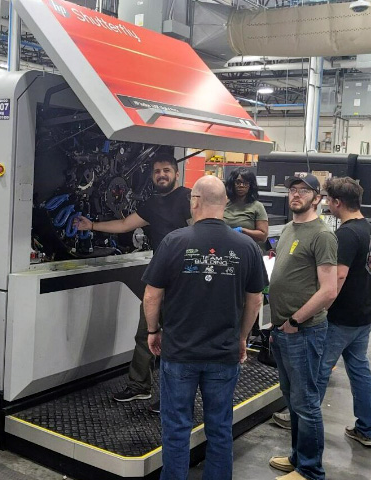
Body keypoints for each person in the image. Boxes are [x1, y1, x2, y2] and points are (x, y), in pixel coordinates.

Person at [142, 175, 266, 480]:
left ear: (195, 202)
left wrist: (153, 331)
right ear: (224, 203)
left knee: (176, 428)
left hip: (180, 352)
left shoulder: (174, 241)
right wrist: (242, 338)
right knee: (220, 429)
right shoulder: (246, 246)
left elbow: (151, 295)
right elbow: (255, 302)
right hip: (223, 353)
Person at [75, 153, 191, 404]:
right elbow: (125, 224)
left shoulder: (187, 198)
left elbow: (198, 233)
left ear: (177, 173)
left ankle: (175, 397)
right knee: (145, 333)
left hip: (184, 280)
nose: (162, 175)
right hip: (159, 279)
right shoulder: (152, 204)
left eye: (167, 170)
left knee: (178, 340)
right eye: (157, 171)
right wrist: (91, 226)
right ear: (152, 176)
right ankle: (140, 385)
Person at [268, 174, 337, 480]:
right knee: (292, 397)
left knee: (306, 402)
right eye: (292, 190)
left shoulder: (322, 235)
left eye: (303, 191)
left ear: (317, 198)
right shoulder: (288, 229)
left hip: (303, 331)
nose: (295, 195)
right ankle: (298, 457)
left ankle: (310, 470)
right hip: (283, 329)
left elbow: (328, 290)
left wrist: (296, 320)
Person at [317, 177, 371, 447]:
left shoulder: (346, 234)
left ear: (337, 202)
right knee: (359, 370)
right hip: (365, 314)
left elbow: (338, 278)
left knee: (318, 369)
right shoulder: (369, 228)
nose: (327, 204)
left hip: (342, 318)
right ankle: (366, 429)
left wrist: (321, 310)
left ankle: (302, 418)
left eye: (328, 199)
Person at [224, 168, 268, 244]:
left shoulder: (257, 206)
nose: (241, 186)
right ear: (232, 183)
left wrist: (243, 230)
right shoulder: (224, 204)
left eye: (245, 183)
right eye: (238, 182)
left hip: (247, 249)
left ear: (250, 185)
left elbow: (263, 236)